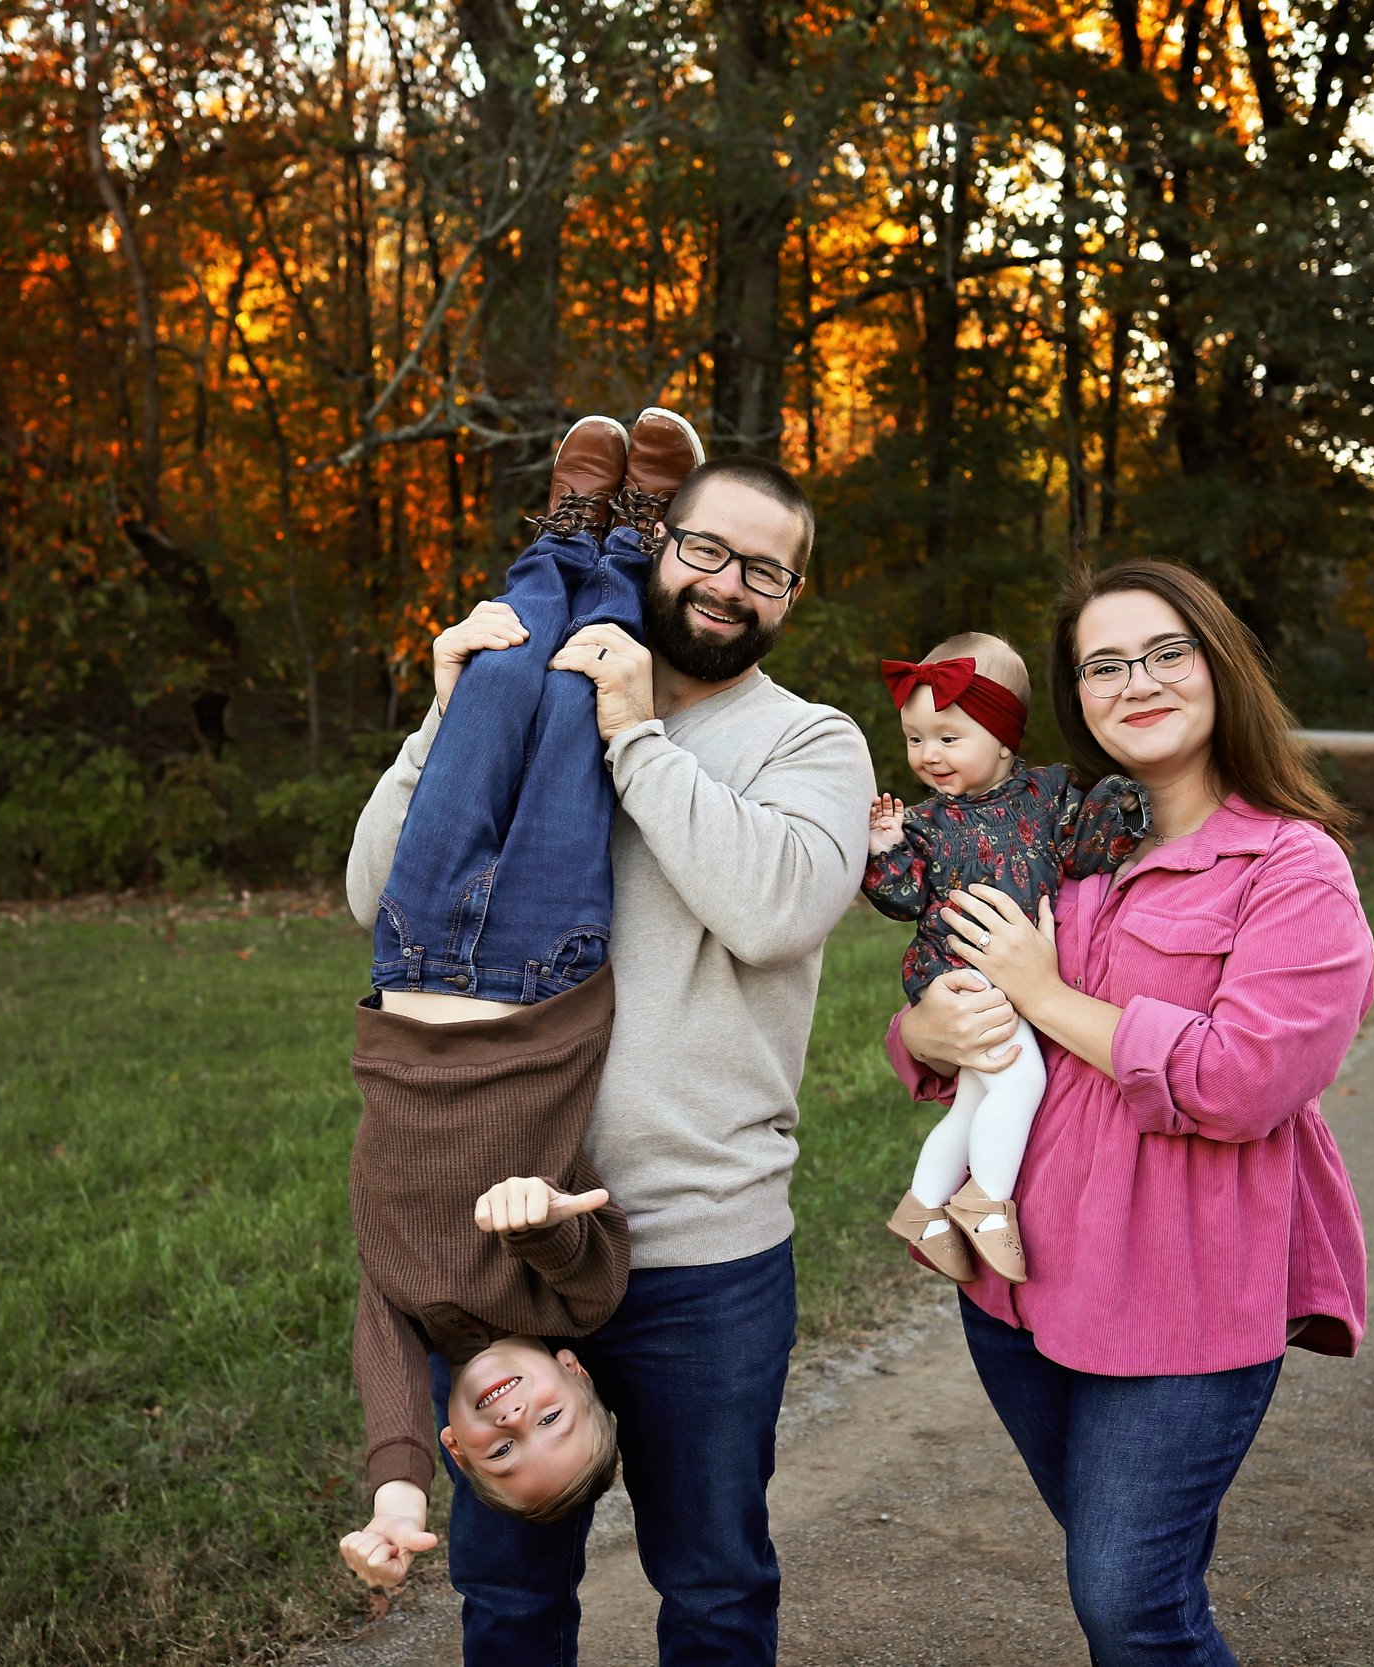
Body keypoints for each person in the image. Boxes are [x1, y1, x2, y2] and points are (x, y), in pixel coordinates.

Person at [346, 427, 875, 1664]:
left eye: (767, 569)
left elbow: (777, 907)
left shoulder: (812, 742)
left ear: (792, 595)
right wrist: (444, 711)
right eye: (705, 547)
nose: (728, 583)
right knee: (510, 1593)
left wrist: (634, 735)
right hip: (497, 1271)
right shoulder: (535, 696)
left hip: (700, 1251)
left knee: (712, 1582)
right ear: (659, 545)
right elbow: (378, 893)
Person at [888, 559, 1374, 1666]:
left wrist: (1049, 994)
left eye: (1165, 652)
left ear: (1220, 666)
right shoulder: (1058, 851)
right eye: (1103, 663)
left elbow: (1243, 1080)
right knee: (1126, 1576)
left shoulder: (1289, 867)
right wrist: (925, 1033)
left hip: (1180, 1301)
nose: (1136, 681)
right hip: (1015, 1290)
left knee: (1128, 1601)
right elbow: (947, 1020)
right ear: (1073, 694)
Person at [336, 411, 706, 1587]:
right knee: (571, 697)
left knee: (497, 676)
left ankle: (562, 536)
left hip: (413, 948)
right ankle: (632, 543)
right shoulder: (576, 1307)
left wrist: (398, 1501)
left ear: (458, 1443)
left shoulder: (404, 1305)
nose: (517, 1417)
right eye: (552, 1420)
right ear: (576, 1380)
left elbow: (386, 1397)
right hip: (546, 965)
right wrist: (535, 1212)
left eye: (497, 1449)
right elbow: (592, 1248)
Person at [861, 632, 1147, 1283]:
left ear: (1003, 736)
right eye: (914, 738)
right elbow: (904, 898)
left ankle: (924, 1205)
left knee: (972, 1101)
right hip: (958, 970)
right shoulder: (928, 823)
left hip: (1008, 971)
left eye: (947, 737)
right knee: (1021, 1079)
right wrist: (884, 849)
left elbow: (1084, 849)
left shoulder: (1047, 795)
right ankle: (985, 1200)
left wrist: (1121, 807)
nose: (927, 755)